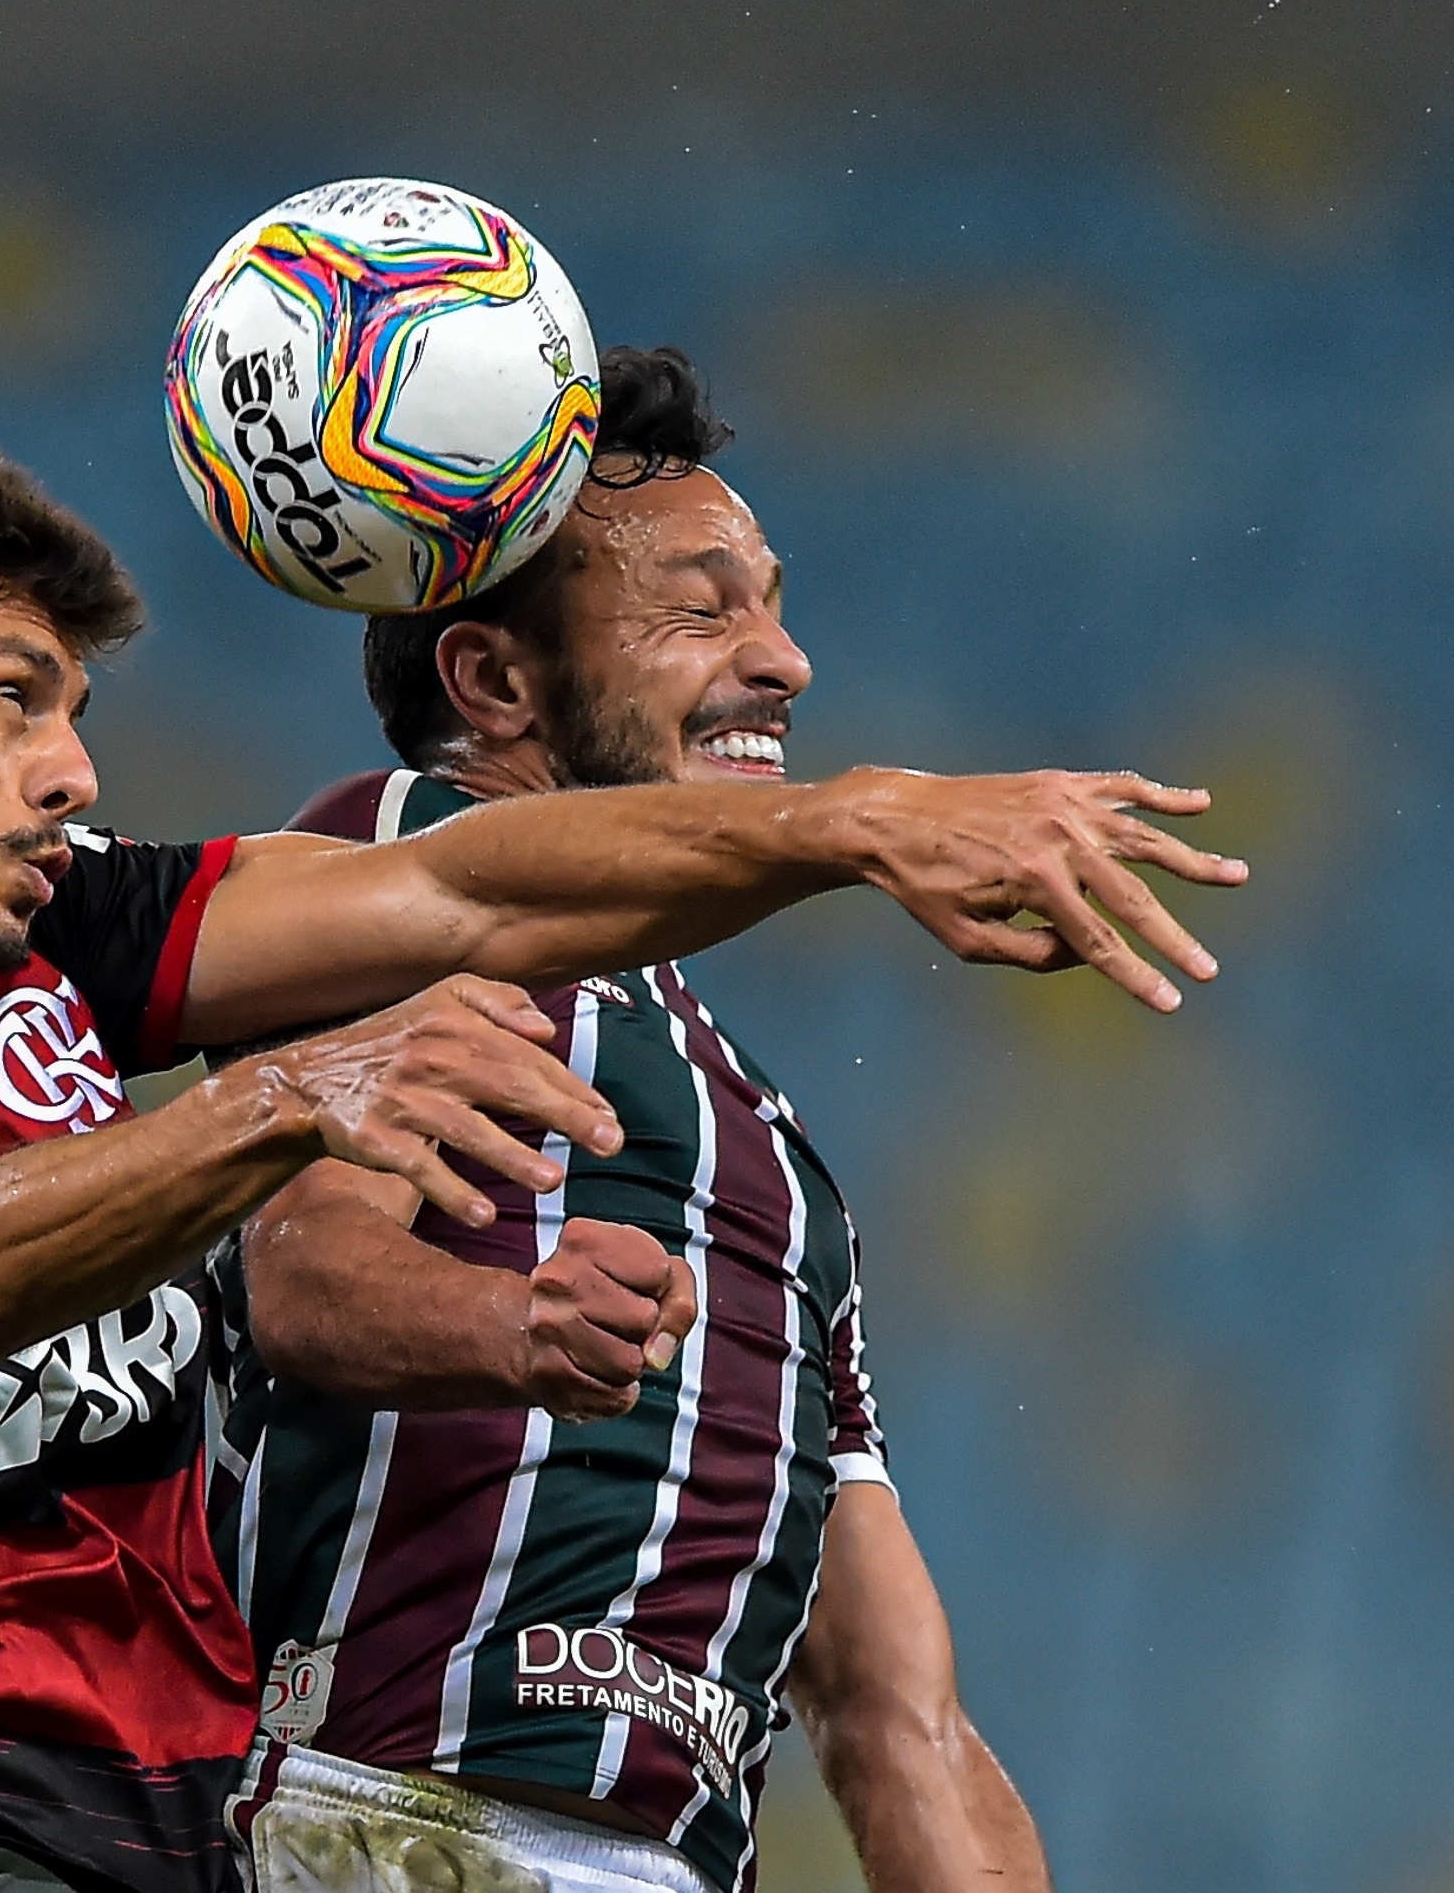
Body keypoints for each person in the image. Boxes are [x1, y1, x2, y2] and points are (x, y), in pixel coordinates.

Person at [0, 401, 1239, 1893]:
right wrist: (287, 1091)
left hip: (159, 1851)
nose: (73, 772)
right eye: (13, 700)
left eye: (76, 713)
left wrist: (861, 820)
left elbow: (457, 886)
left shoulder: (59, 965)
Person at [216, 349, 1096, 1893]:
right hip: (387, 1822)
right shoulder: (381, 863)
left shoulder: (772, 1153)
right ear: (491, 682)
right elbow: (293, 1275)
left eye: (768, 600)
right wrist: (513, 1318)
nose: (786, 663)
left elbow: (897, 1711)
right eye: (703, 610)